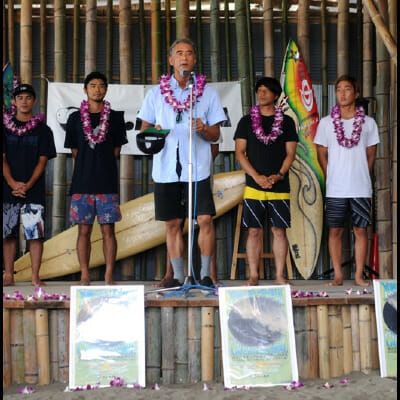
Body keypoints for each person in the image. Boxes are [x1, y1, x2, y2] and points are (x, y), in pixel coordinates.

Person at [138, 38, 226, 288]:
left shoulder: (207, 93)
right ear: (170, 60)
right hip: (166, 167)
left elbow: (216, 135)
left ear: (195, 60)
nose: (184, 57)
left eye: (189, 53)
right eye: (179, 53)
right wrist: (153, 131)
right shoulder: (155, 93)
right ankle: (177, 276)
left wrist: (203, 128)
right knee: (173, 222)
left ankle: (206, 275)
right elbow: (143, 132)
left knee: (205, 220)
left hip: (196, 166)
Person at [314, 75, 379, 287]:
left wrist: (361, 172)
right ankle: (338, 276)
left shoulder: (368, 123)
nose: (342, 93)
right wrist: (330, 172)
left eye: (347, 89)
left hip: (360, 187)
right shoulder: (325, 123)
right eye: (339, 89)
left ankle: (359, 275)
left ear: (356, 93)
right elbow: (321, 152)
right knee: (335, 230)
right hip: (335, 188)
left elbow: (371, 154)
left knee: (361, 230)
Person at [64, 71, 128, 285]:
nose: (97, 89)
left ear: (106, 89)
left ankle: (109, 274)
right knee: (83, 230)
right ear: (85, 89)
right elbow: (74, 151)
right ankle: (85, 274)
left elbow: (116, 151)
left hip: (107, 182)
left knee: (108, 230)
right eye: (92, 85)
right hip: (82, 182)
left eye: (101, 85)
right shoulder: (74, 118)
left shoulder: (116, 118)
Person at [234, 77, 298, 286]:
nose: (261, 94)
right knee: (253, 230)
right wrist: (256, 176)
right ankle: (253, 275)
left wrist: (278, 175)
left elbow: (290, 153)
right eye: (259, 90)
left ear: (276, 95)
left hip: (279, 183)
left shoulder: (287, 122)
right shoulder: (246, 121)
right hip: (254, 184)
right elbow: (240, 153)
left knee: (279, 230)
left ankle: (280, 275)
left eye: (266, 91)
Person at [3, 84, 56, 287]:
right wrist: (12, 183)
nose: (24, 101)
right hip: (8, 191)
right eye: (20, 97)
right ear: (14, 102)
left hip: (33, 191)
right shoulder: (4, 129)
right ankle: (9, 275)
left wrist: (27, 185)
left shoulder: (43, 130)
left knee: (35, 234)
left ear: (34, 101)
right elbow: (3, 159)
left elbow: (43, 161)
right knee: (8, 233)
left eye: (28, 97)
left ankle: (35, 276)